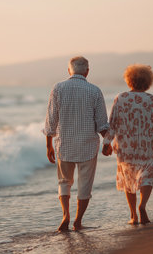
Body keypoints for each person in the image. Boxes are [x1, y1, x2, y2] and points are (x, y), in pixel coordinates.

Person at [43, 56, 109, 231]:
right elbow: (102, 123)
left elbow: (51, 119)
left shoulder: (58, 88)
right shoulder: (95, 91)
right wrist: (108, 142)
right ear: (87, 71)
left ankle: (66, 214)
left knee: (64, 181)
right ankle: (78, 221)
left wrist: (49, 144)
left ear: (68, 71)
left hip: (64, 144)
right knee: (85, 184)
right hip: (88, 144)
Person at [102, 64, 153, 225]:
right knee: (147, 177)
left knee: (129, 180)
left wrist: (106, 142)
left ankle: (133, 216)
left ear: (129, 80)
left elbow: (113, 123)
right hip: (149, 147)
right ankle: (143, 205)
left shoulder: (121, 98)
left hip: (126, 147)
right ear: (148, 82)